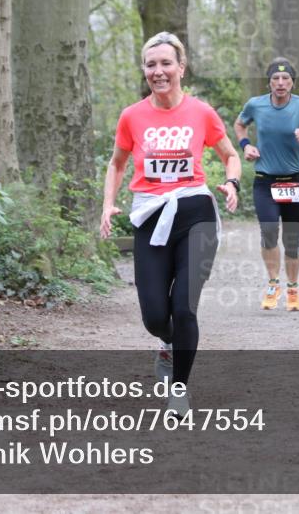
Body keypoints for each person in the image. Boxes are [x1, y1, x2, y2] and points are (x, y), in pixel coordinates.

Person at [100, 31, 240, 417]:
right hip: (150, 215)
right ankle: (166, 343)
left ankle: (179, 389)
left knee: (185, 308)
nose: (158, 71)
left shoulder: (201, 112)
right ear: (144, 70)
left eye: (165, 63)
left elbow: (230, 155)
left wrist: (232, 182)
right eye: (150, 64)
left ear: (181, 67)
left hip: (195, 213)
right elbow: (116, 163)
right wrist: (108, 205)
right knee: (155, 316)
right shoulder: (132, 115)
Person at [233, 57, 299, 311]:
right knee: (268, 232)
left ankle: (292, 288)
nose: (280, 83)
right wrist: (246, 146)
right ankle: (272, 283)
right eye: (275, 79)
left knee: (291, 239)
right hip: (265, 181)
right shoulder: (255, 105)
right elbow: (239, 124)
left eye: (285, 79)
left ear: (292, 82)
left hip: (293, 182)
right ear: (269, 83)